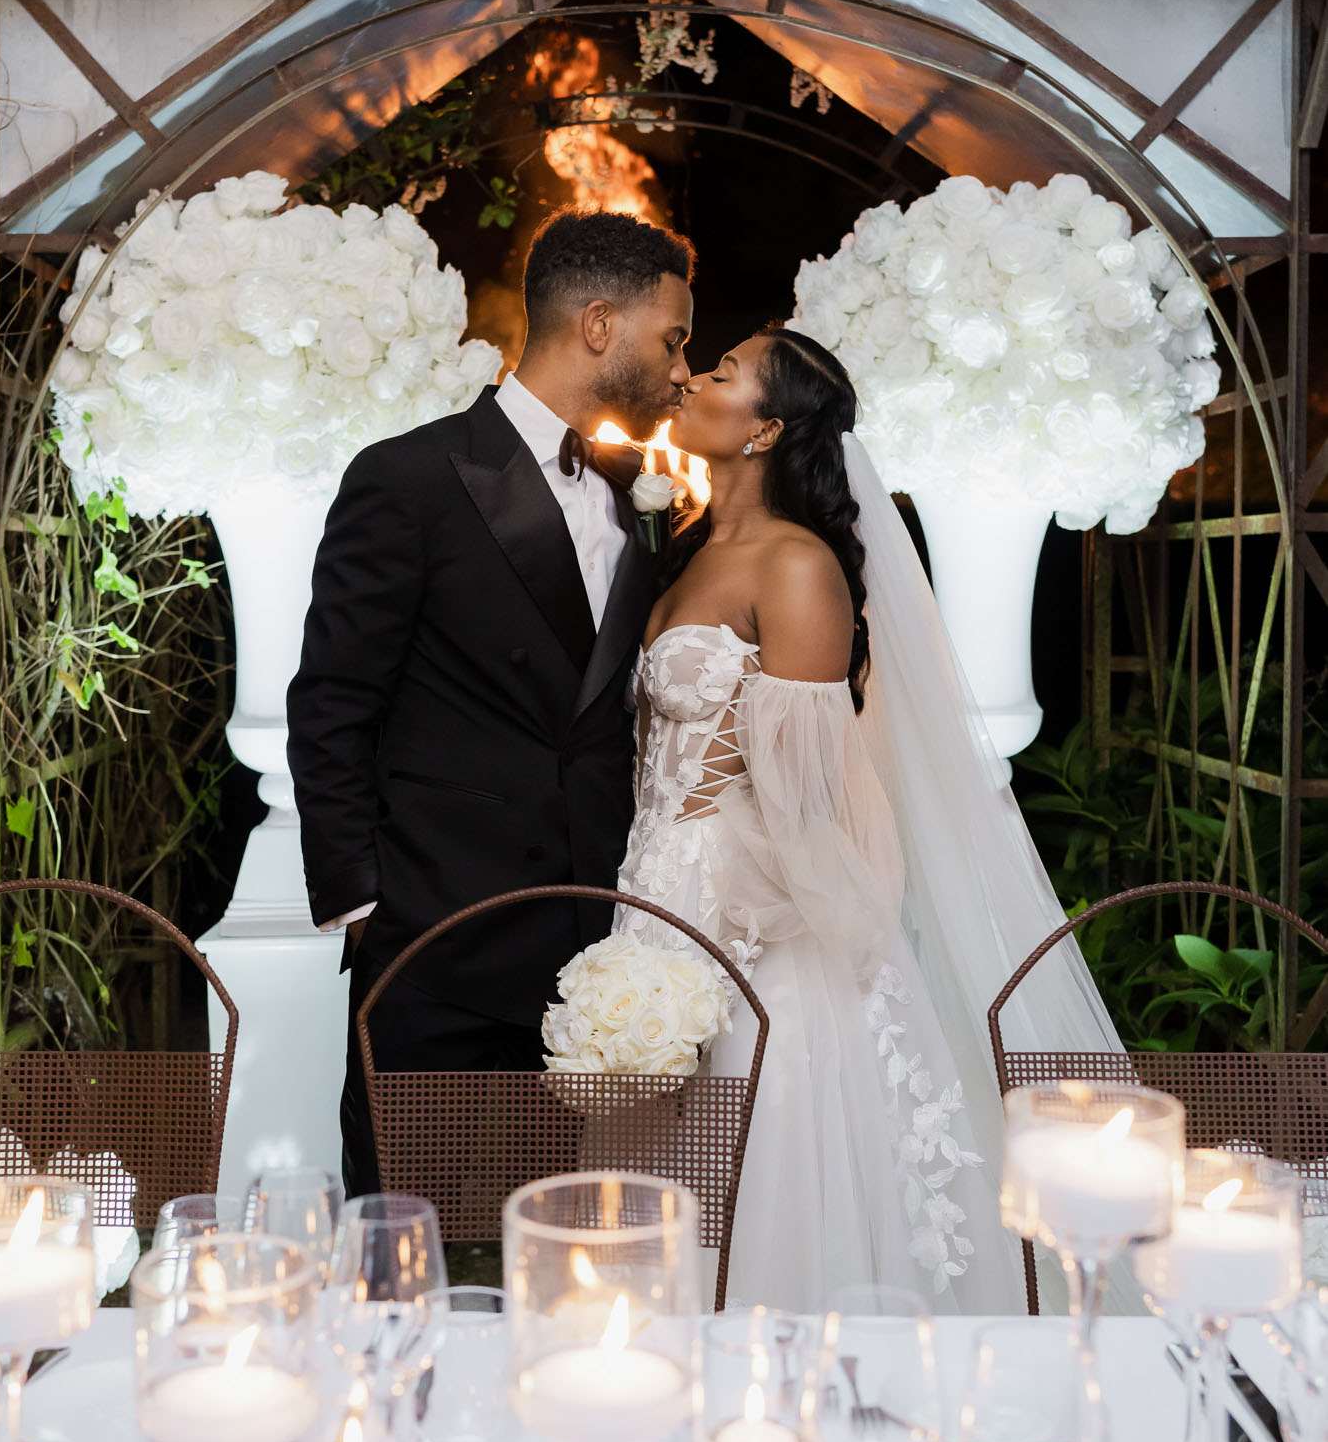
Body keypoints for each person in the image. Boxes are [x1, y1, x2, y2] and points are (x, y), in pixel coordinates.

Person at [614, 326, 1124, 1312]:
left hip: (752, 926)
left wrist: (715, 936)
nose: (693, 377)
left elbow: (806, 801)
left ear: (764, 430)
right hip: (653, 893)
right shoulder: (689, 544)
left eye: (721, 373)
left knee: (760, 1191)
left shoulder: (797, 564)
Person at [287, 209, 694, 1196]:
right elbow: (333, 698)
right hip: (435, 950)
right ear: (598, 324)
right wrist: (364, 905)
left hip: (592, 963)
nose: (684, 369)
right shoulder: (408, 477)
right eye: (673, 337)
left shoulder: (637, 491)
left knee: (565, 1254)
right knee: (402, 1246)